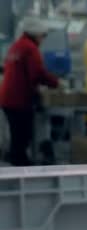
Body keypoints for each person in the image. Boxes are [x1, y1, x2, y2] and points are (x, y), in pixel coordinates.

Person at [0, 18, 59, 166]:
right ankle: (21, 166)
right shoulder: (30, 48)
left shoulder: (16, 46)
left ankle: (18, 161)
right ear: (36, 34)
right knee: (23, 135)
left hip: (7, 98)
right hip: (19, 100)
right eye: (43, 36)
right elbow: (37, 73)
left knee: (16, 135)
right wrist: (55, 82)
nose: (43, 39)